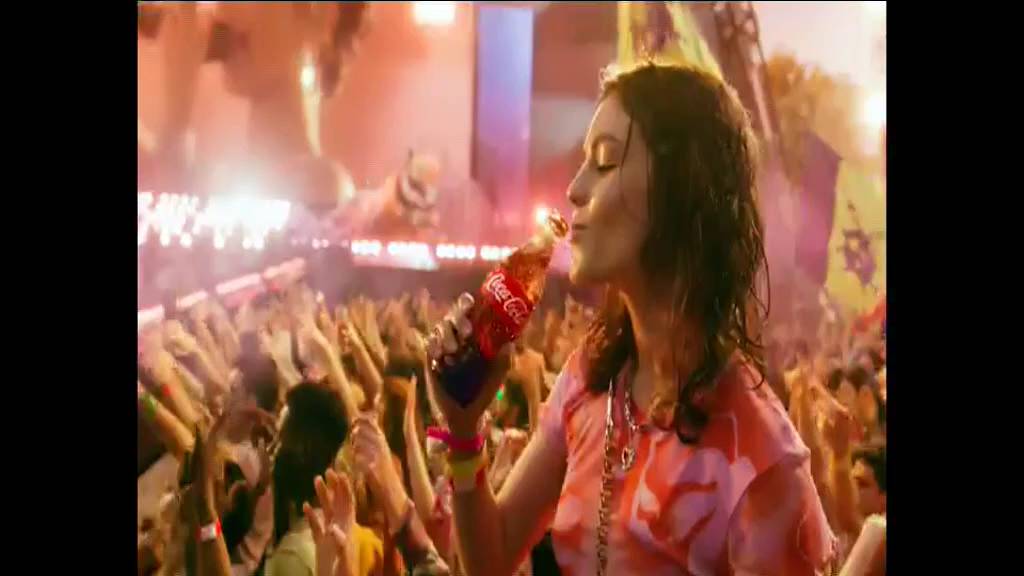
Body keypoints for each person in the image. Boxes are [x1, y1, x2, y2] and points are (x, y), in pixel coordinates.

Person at [426, 63, 835, 575]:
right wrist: (463, 430)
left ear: (681, 187)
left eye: (604, 161)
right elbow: (491, 558)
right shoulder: (588, 378)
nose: (574, 189)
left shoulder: (762, 460)